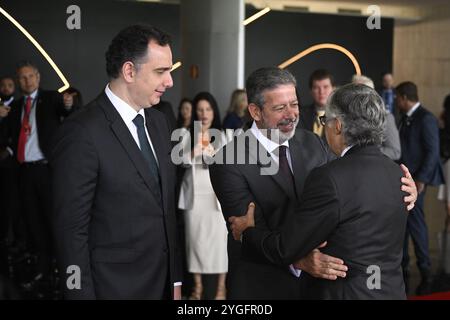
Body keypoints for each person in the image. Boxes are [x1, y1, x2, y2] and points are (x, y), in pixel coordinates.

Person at [209, 67, 417, 299]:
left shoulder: (312, 142)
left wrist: (405, 191)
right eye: (280, 108)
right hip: (263, 287)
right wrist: (299, 261)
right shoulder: (228, 160)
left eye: (295, 104)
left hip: (316, 287)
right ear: (255, 112)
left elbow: (349, 185)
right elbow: (248, 230)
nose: (291, 114)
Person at [51, 24, 182, 299]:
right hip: (113, 288)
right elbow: (71, 233)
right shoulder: (81, 132)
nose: (170, 81)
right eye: (161, 71)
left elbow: (167, 212)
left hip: (163, 284)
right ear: (129, 71)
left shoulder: (160, 123)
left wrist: (176, 282)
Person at [0, 62, 74, 292]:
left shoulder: (51, 98)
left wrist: (68, 104)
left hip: (47, 171)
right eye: (22, 78)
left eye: (30, 76)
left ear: (38, 77)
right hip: (24, 172)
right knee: (33, 223)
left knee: (54, 220)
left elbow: (66, 110)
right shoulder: (16, 106)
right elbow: (5, 140)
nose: (27, 81)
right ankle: (42, 269)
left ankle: (63, 271)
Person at [178, 92, 228, 300]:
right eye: (200, 109)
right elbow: (179, 162)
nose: (204, 113)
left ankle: (221, 288)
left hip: (216, 198)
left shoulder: (223, 135)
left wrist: (214, 155)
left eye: (208, 109)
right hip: (195, 197)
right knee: (194, 242)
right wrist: (194, 151)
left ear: (214, 111)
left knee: (219, 244)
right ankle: (197, 287)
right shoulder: (185, 133)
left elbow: (228, 166)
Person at [396, 81, 444, 295]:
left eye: (398, 98)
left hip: (417, 182)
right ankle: (405, 264)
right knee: (405, 223)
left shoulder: (426, 118)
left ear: (405, 98)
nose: (396, 102)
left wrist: (421, 181)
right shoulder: (406, 118)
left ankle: (425, 269)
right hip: (406, 181)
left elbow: (433, 152)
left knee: (416, 224)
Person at [352, 74, 401, 160]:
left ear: (371, 95)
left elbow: (395, 152)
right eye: (353, 92)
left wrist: (365, 152)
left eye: (359, 93)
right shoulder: (346, 117)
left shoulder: (386, 118)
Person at [298, 69, 335, 141]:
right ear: (311, 91)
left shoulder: (340, 116)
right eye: (316, 87)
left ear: (333, 89)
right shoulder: (300, 115)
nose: (321, 92)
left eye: (325, 87)